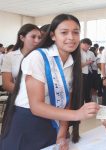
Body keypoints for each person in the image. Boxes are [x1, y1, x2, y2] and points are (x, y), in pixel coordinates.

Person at [0, 14, 99, 150]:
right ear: (53, 35)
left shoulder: (71, 62)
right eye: (64, 32)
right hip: (28, 122)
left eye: (75, 32)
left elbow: (65, 100)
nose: (71, 37)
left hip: (55, 120)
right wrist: (77, 114)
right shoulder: (38, 57)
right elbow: (36, 106)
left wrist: (63, 131)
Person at [1, 24, 41, 93]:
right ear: (22, 38)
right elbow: (6, 84)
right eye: (33, 37)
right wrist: (28, 94)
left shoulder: (41, 56)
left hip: (41, 98)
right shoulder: (11, 56)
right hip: (18, 98)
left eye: (39, 37)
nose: (37, 40)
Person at [80, 38, 95, 103]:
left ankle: (88, 103)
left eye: (89, 47)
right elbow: (77, 65)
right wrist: (87, 63)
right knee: (81, 91)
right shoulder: (78, 52)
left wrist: (90, 62)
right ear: (83, 44)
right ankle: (80, 105)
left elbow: (93, 61)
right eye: (87, 46)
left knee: (88, 90)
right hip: (81, 74)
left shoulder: (90, 52)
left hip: (89, 73)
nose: (88, 48)